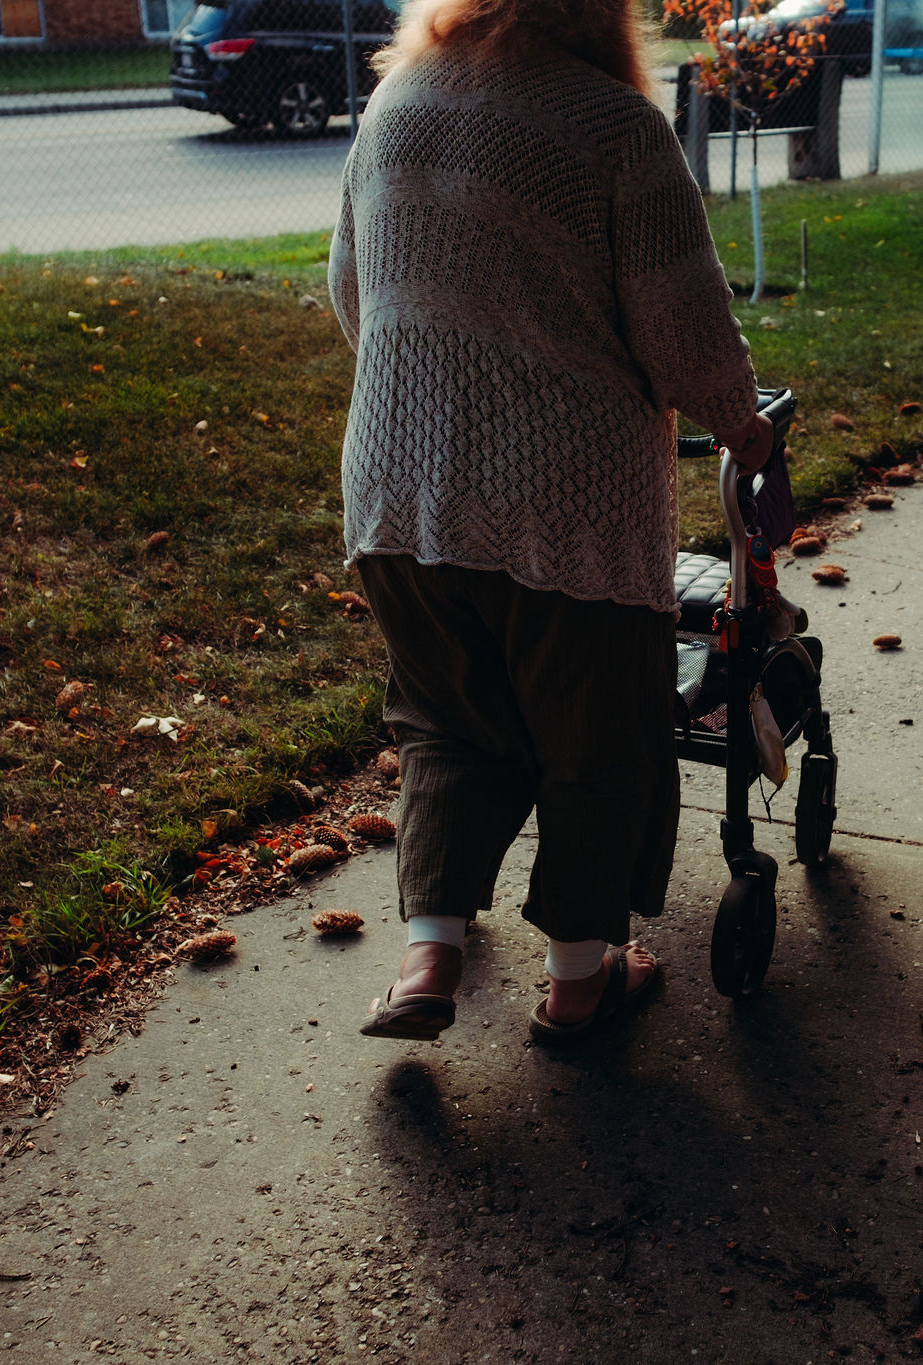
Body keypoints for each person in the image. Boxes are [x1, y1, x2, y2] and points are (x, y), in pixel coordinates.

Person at [329, 0, 775, 1044]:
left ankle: (428, 960)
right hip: (562, 505)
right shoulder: (614, 127)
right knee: (597, 741)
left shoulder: (396, 100)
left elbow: (353, 291)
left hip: (397, 495)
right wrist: (740, 426)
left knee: (444, 723)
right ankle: (581, 981)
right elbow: (683, 333)